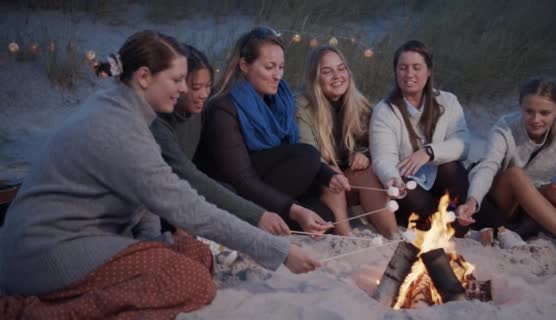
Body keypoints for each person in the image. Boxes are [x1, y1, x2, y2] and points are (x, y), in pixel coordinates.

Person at [0, 30, 319, 319]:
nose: (183, 89)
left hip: (93, 235)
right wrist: (278, 250)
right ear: (143, 77)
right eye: (177, 79)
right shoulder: (117, 127)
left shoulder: (124, 109)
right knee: (191, 282)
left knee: (195, 254)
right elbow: (188, 207)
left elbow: (143, 199)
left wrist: (154, 244)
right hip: (47, 250)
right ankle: (41, 312)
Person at [195, 27, 349, 235]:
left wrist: (327, 175)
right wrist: (294, 210)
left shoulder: (279, 100)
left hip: (264, 181)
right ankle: (256, 219)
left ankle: (274, 217)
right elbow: (242, 179)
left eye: (281, 67)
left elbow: (283, 150)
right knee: (307, 156)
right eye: (269, 67)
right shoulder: (224, 107)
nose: (277, 75)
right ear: (244, 66)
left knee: (323, 215)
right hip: (234, 191)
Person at [456, 77, 556, 265]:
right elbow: (489, 165)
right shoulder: (506, 127)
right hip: (500, 202)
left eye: (545, 113)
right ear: (521, 107)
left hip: (535, 205)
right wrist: (473, 199)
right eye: (529, 111)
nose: (536, 119)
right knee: (516, 174)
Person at [150, 44, 289, 236]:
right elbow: (186, 176)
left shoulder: (200, 108)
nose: (203, 94)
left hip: (189, 189)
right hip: (158, 202)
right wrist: (258, 215)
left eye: (207, 87)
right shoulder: (158, 123)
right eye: (196, 87)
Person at [369, 40, 474, 236]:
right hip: (410, 184)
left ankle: (457, 218)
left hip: (441, 177)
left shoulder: (448, 101)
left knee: (452, 168)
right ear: (396, 72)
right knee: (407, 193)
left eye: (417, 67)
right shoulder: (385, 110)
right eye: (403, 68)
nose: (409, 74)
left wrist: (429, 152)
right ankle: (450, 224)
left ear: (429, 71)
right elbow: (382, 158)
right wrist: (392, 179)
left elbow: (463, 143)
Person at [296, 45, 397, 237]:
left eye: (341, 69)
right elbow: (307, 152)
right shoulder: (303, 108)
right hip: (318, 180)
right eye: (327, 72)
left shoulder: (358, 104)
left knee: (367, 173)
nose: (337, 76)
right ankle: (346, 236)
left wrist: (364, 154)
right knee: (331, 173)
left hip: (349, 182)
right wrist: (330, 173)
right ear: (315, 77)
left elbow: (378, 141)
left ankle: (392, 235)